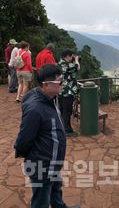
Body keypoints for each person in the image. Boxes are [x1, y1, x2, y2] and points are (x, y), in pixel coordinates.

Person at [14, 64, 80, 208]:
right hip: (42, 165)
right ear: (46, 84)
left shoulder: (49, 97)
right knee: (41, 200)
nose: (62, 84)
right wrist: (32, 158)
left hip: (52, 162)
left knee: (56, 189)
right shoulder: (36, 109)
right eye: (59, 82)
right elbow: (23, 140)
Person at [58, 50, 80, 137]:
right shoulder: (69, 65)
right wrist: (77, 60)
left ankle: (62, 128)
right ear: (67, 56)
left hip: (60, 91)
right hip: (68, 91)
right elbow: (77, 67)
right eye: (71, 57)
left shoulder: (59, 63)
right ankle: (67, 131)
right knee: (67, 111)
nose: (72, 58)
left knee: (62, 110)